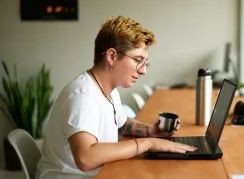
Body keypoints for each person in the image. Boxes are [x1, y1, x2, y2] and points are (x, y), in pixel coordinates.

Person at [36, 16, 197, 179]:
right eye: (138, 60)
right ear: (112, 56)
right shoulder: (82, 96)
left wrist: (151, 131)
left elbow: (121, 122)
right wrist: (147, 143)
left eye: (145, 63)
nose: (143, 71)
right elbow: (86, 158)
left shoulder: (110, 91)